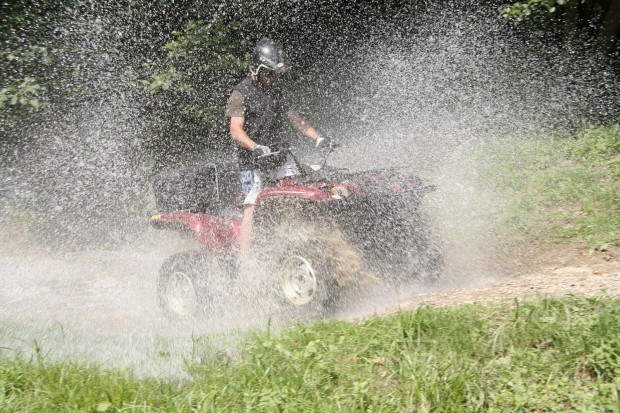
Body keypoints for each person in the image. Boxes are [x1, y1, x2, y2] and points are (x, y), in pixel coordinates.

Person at [225, 38, 332, 264]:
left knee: (300, 191)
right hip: (251, 164)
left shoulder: (275, 92)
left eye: (274, 74)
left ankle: (297, 240)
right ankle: (245, 261)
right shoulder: (240, 93)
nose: (272, 78)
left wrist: (319, 138)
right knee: (252, 205)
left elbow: (296, 119)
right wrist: (254, 147)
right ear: (256, 68)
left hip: (279, 157)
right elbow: (235, 130)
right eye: (268, 73)